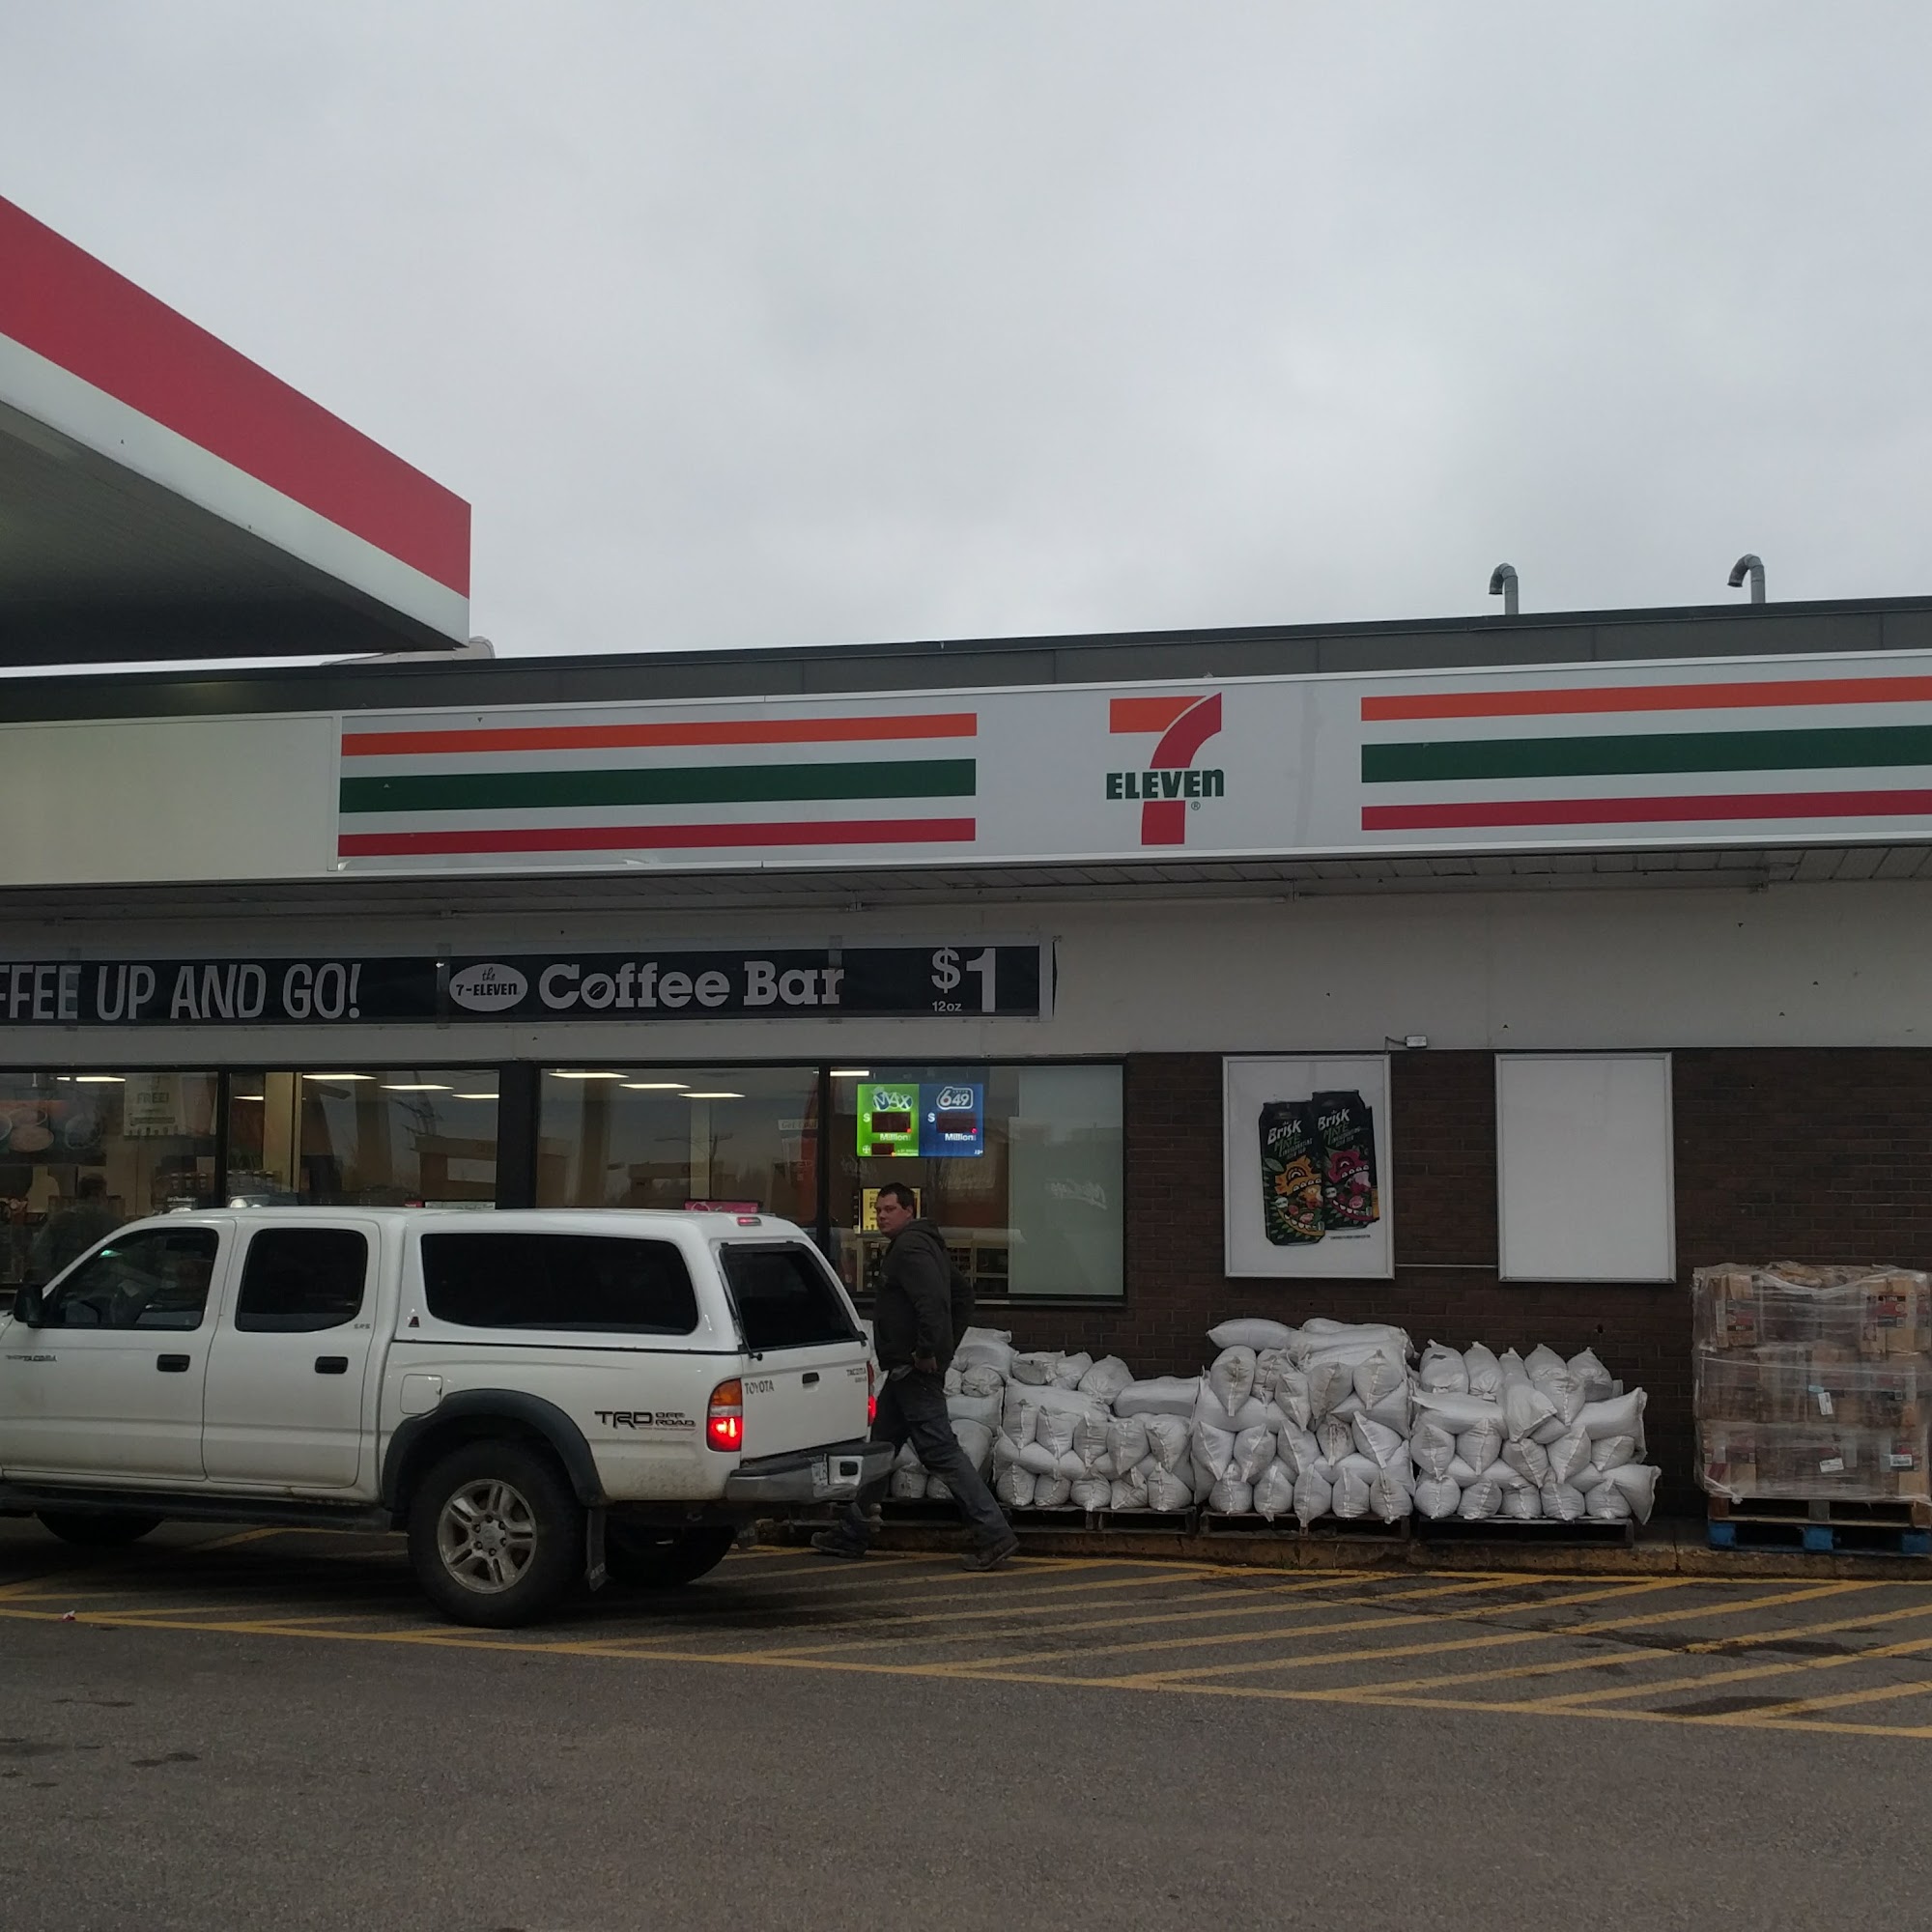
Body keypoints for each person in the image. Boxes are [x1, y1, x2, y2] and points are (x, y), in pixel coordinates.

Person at [813, 1181, 1018, 1572]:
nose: (881, 1216)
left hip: (913, 1371)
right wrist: (942, 1349)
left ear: (909, 1210)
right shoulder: (925, 1245)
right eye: (878, 1210)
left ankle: (994, 1533)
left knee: (940, 1451)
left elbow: (934, 1303)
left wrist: (929, 1352)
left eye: (889, 1209)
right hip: (905, 1371)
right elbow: (962, 1296)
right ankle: (853, 1532)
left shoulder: (910, 1248)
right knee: (881, 1448)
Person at [28, 1173, 120, 1284]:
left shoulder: (60, 1220)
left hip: (65, 1285)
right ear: (100, 1195)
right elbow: (124, 1254)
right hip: (100, 1286)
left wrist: (52, 1281)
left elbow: (39, 1252)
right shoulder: (111, 1223)